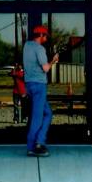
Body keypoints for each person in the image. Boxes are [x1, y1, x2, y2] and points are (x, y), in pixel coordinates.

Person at [23, 25, 59, 157]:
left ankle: (40, 141)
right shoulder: (40, 48)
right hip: (39, 85)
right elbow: (46, 69)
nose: (46, 39)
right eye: (45, 37)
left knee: (48, 113)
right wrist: (53, 60)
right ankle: (32, 147)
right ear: (41, 35)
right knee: (38, 117)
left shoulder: (26, 46)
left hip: (29, 85)